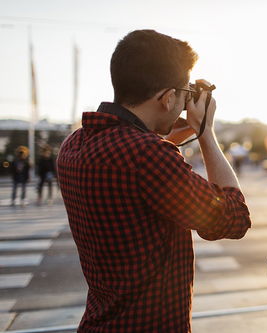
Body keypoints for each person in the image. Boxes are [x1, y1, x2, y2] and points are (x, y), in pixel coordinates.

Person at [57, 30, 251, 332]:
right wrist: (206, 134)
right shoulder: (147, 155)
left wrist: (178, 131)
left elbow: (135, 165)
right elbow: (233, 219)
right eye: (184, 95)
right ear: (167, 97)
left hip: (99, 322)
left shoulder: (75, 144)